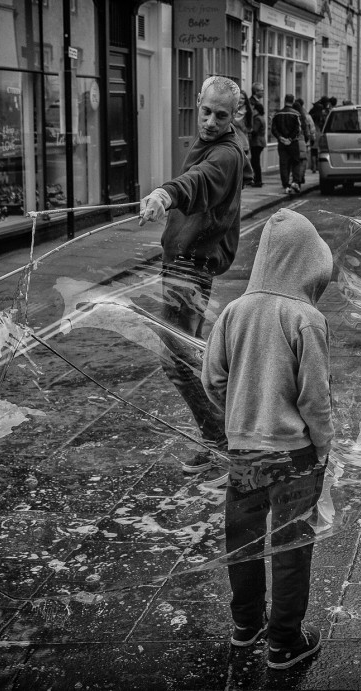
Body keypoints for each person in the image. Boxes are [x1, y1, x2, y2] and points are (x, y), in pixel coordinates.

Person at [201, 207, 334, 670]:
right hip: (294, 455)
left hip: (245, 452)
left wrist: (241, 414)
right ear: (307, 262)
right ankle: (283, 641)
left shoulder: (235, 311)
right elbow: (314, 398)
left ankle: (245, 626)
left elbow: (212, 379)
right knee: (291, 547)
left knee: (244, 541)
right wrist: (323, 445)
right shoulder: (305, 318)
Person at [138, 75, 250, 474]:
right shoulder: (209, 143)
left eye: (221, 115)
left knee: (176, 358)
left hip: (191, 267)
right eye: (206, 112)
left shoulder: (227, 154)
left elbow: (198, 181)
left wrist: (165, 194)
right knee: (187, 354)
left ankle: (222, 438)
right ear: (197, 104)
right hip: (182, 263)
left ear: (234, 115)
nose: (210, 122)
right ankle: (230, 429)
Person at [270, 93, 305, 195]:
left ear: (284, 100)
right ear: (293, 101)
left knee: (284, 164)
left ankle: (285, 184)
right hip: (293, 143)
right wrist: (290, 138)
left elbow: (273, 129)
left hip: (281, 143)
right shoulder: (296, 114)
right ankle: (295, 181)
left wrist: (281, 138)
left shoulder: (277, 114)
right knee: (295, 162)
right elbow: (298, 129)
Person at [249, 100, 267, 187]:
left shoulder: (257, 118)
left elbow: (255, 131)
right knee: (255, 161)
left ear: (256, 109)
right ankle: (257, 179)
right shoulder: (261, 117)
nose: (252, 110)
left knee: (255, 162)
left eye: (253, 108)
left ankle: (258, 180)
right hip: (260, 142)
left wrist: (248, 133)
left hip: (257, 142)